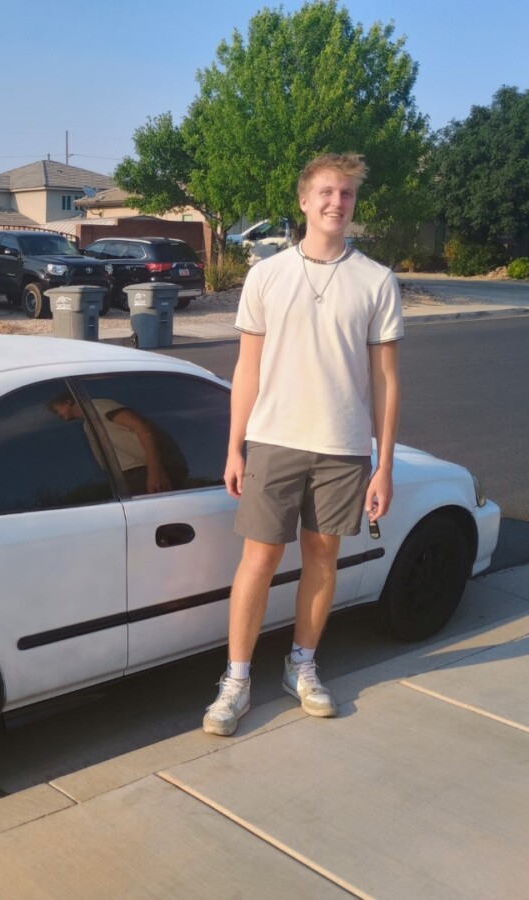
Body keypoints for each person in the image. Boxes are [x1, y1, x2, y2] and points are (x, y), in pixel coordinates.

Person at [203, 152, 403, 736]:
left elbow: (387, 381)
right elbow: (247, 369)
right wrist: (234, 446)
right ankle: (237, 679)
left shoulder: (376, 280)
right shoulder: (267, 275)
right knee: (259, 560)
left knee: (322, 558)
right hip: (273, 441)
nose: (336, 202)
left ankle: (302, 667)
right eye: (326, 192)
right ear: (303, 200)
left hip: (343, 448)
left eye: (346, 194)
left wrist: (383, 464)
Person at [48, 392, 187, 495]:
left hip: (144, 471)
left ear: (68, 401)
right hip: (134, 474)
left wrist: (155, 470)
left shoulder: (98, 407)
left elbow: (142, 428)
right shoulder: (89, 421)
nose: (58, 415)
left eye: (56, 410)